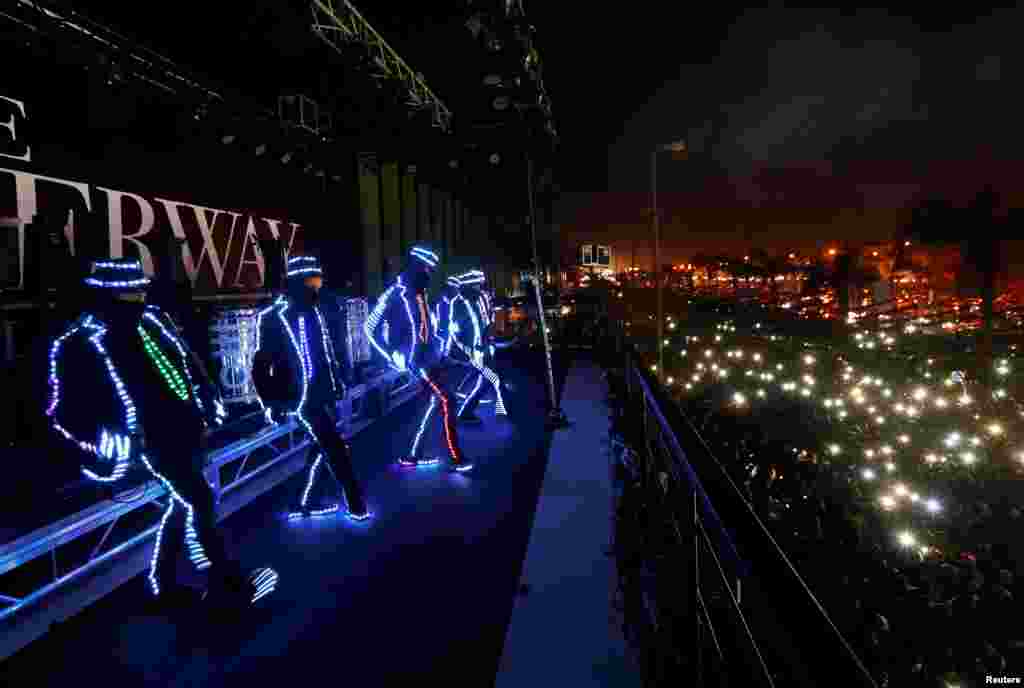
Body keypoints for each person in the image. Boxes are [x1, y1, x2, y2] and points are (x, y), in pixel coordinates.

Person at [45, 258, 278, 608]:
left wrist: (206, 397)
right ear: (107, 296)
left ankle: (162, 581)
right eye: (130, 294)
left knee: (183, 504)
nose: (139, 298)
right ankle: (226, 581)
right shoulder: (77, 343)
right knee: (198, 498)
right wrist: (105, 440)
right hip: (146, 441)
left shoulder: (151, 322)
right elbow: (61, 410)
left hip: (183, 427)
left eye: (141, 290)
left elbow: (185, 361)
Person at [251, 255, 370, 521]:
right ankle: (355, 504)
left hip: (322, 392)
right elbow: (261, 365)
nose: (318, 285)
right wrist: (270, 403)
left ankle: (304, 502)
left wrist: (338, 382)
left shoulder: (316, 311)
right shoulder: (272, 317)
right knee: (336, 449)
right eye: (313, 280)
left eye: (319, 279)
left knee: (324, 447)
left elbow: (325, 350)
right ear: (299, 282)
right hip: (298, 398)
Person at [366, 245, 473, 471]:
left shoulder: (420, 293)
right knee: (447, 400)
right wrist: (391, 354)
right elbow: (370, 326)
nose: (429, 274)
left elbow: (426, 325)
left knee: (432, 403)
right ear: (415, 266)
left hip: (429, 357)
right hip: (415, 360)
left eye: (431, 269)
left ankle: (412, 455)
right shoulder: (395, 293)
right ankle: (456, 456)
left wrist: (439, 346)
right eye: (426, 268)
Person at [452, 269, 508, 422]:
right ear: (469, 286)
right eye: (477, 285)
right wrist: (469, 348)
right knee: (490, 379)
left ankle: (503, 407)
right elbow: (456, 331)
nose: (480, 288)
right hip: (474, 351)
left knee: (491, 378)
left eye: (480, 285)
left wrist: (489, 335)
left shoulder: (479, 299)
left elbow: (486, 319)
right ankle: (466, 412)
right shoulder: (458, 303)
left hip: (484, 347)